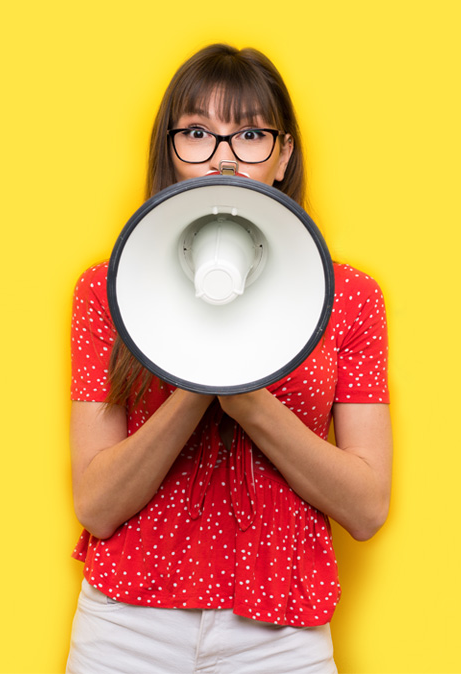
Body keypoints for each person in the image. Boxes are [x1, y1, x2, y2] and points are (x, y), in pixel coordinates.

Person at [66, 43, 392, 674]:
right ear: (168, 150)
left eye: (249, 135)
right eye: (196, 133)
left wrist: (250, 400)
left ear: (284, 154)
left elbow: (367, 508)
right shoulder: (108, 291)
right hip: (127, 626)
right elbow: (96, 506)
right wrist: (197, 375)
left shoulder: (349, 298)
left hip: (282, 632)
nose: (222, 158)